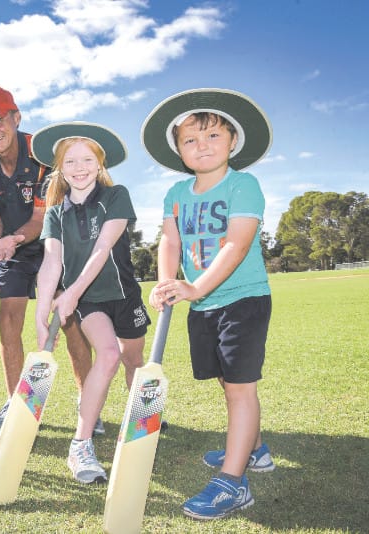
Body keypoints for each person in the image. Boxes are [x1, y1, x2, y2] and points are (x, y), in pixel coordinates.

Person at [142, 88, 275, 520]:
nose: (202, 146)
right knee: (226, 381)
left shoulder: (244, 184)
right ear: (179, 150)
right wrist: (167, 281)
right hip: (202, 306)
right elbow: (170, 239)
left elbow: (236, 244)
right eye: (191, 140)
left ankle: (232, 483)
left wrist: (195, 287)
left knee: (240, 387)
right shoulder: (177, 193)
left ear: (232, 141)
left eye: (213, 136)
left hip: (242, 299)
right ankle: (255, 450)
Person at [0, 87, 105, 437]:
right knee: (8, 318)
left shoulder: (44, 155)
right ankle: (17, 404)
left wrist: (11, 238)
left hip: (55, 244)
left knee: (68, 320)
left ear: (16, 118)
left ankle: (88, 402)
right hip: (11, 249)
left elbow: (42, 220)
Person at [31, 122, 151, 484]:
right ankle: (80, 445)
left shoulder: (116, 196)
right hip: (90, 303)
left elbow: (103, 249)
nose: (79, 168)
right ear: (60, 168)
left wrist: (71, 291)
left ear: (99, 165)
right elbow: (52, 262)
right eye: (70, 161)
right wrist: (41, 313)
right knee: (108, 355)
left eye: (87, 160)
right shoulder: (55, 214)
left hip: (123, 294)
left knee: (133, 360)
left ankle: (142, 427)